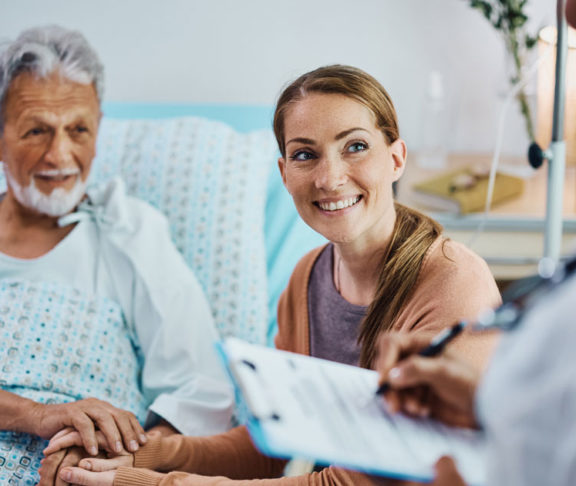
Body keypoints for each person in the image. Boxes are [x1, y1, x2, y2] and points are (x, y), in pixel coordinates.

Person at [51, 65, 502, 486]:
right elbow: (270, 445)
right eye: (305, 155)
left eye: (356, 146)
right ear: (285, 174)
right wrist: (145, 454)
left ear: (397, 157)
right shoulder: (306, 280)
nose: (329, 177)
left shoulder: (453, 284)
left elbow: (354, 481)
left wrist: (151, 482)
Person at [0, 25, 234, 485]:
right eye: (36, 130)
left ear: (99, 127)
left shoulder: (131, 232)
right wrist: (37, 414)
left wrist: (116, 462)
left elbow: (200, 391)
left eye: (78, 129)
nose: (60, 154)